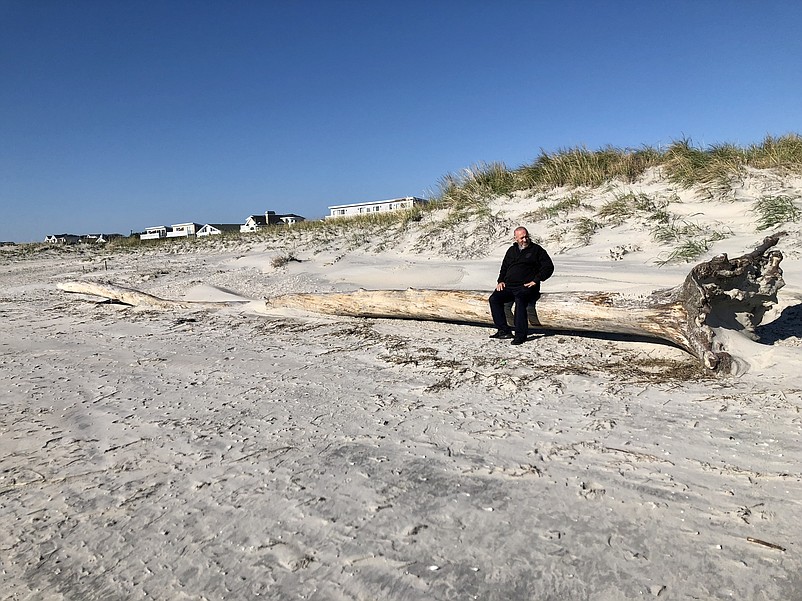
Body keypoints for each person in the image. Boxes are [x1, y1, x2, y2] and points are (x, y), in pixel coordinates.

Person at [488, 227, 554, 345]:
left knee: (520, 299)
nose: (525, 239)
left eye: (526, 236)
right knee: (494, 299)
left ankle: (520, 335)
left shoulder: (536, 250)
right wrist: (500, 281)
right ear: (516, 238)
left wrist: (536, 280)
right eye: (522, 237)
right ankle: (503, 330)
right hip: (509, 286)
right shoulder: (511, 251)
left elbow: (549, 267)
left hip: (527, 286)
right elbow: (504, 268)